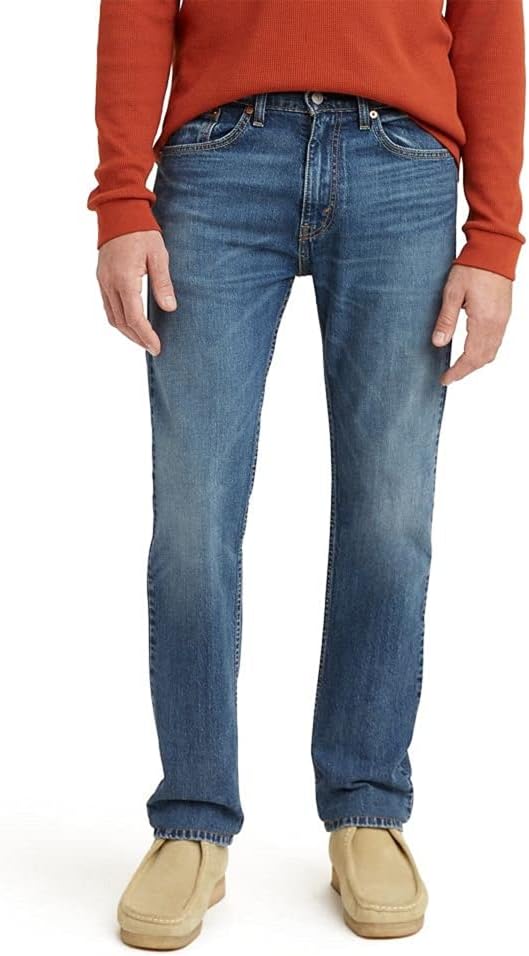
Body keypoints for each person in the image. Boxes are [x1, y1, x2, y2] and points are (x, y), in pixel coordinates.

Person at [87, 0, 525, 946]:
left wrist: (494, 235)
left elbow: (489, 19)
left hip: (400, 162)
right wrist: (121, 196)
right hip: (218, 158)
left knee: (389, 511)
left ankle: (366, 804)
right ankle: (192, 817)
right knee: (194, 511)